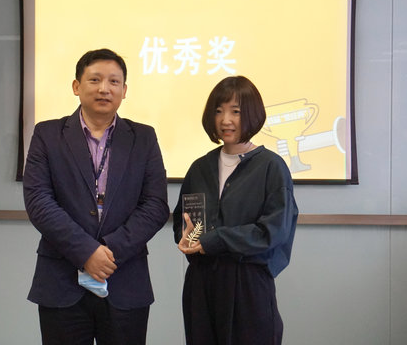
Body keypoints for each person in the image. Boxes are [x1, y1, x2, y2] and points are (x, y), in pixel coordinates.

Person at [23, 48, 170, 345]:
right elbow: (39, 201)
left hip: (124, 280)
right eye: (95, 80)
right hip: (62, 281)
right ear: (76, 86)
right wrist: (86, 252)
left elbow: (155, 205)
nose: (104, 88)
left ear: (124, 90)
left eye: (114, 81)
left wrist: (109, 250)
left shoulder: (143, 138)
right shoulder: (48, 134)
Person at [173, 75, 298, 345]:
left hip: (248, 283)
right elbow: (182, 220)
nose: (225, 120)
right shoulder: (199, 167)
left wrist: (217, 240)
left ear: (252, 114)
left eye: (236, 112)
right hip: (201, 282)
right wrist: (186, 237)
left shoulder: (271, 167)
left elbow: (273, 231)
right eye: (218, 111)